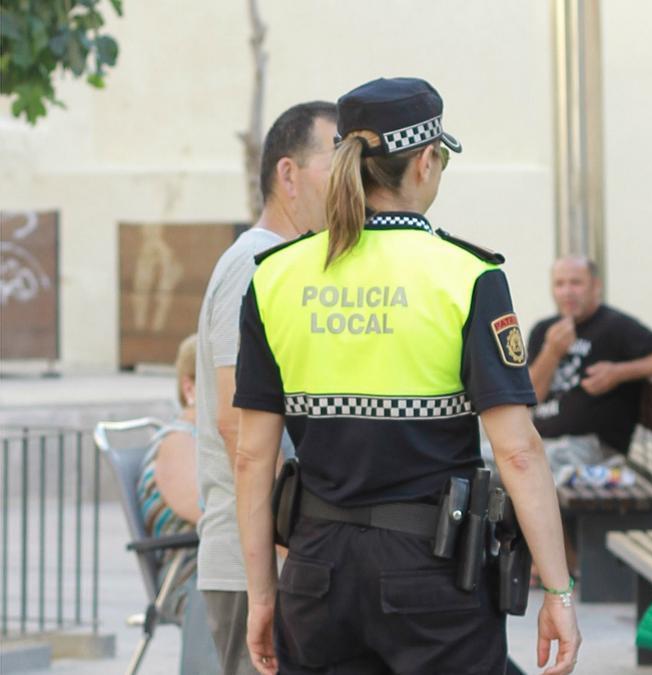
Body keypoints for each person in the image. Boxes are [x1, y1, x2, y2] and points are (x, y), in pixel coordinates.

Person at [232, 77, 579, 675]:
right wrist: (559, 591)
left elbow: (251, 458)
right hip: (432, 573)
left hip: (315, 574)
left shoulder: (275, 277)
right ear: (425, 162)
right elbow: (518, 453)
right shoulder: (467, 276)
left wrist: (264, 593)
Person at [194, 100, 337, 675]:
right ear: (288, 174)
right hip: (255, 566)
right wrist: (285, 551)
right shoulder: (255, 263)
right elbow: (239, 425)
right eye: (337, 158)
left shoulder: (287, 264)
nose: (353, 177)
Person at [527, 256, 652, 471]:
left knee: (525, 468)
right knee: (489, 459)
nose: (567, 291)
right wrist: (551, 352)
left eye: (576, 283)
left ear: (595, 286)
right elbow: (531, 398)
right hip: (540, 440)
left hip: (594, 448)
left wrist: (619, 373)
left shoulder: (615, 325)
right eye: (560, 284)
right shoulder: (544, 330)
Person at [137, 333, 202, 612]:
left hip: (222, 573)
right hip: (191, 580)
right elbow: (208, 514)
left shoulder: (210, 438)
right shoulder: (178, 442)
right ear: (190, 388)